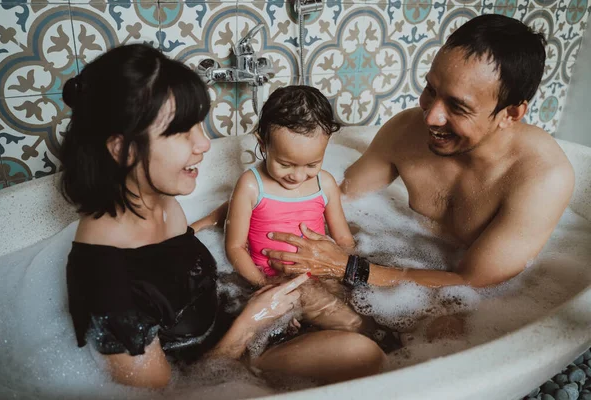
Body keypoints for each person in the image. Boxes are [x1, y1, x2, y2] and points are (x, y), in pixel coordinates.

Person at [59, 43, 385, 389]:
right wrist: (251, 322)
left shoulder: (158, 204)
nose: (204, 144)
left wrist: (222, 217)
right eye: (183, 132)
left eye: (199, 126)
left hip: (245, 324)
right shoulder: (107, 285)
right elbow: (168, 395)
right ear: (123, 149)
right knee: (363, 354)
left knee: (376, 334)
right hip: (220, 367)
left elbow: (178, 278)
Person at [260, 14, 575, 289]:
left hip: (483, 300)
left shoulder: (542, 178)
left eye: (457, 106)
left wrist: (346, 267)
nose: (430, 116)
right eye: (431, 90)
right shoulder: (406, 131)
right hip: (400, 262)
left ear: (511, 114)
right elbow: (342, 197)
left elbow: (470, 285)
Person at [225, 86, 394, 342]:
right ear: (263, 144)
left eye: (312, 164)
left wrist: (338, 267)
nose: (298, 175)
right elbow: (235, 247)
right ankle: (375, 345)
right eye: (285, 164)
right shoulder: (251, 185)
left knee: (369, 307)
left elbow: (344, 241)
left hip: (323, 268)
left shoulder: (324, 185)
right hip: (278, 278)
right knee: (353, 324)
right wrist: (263, 286)